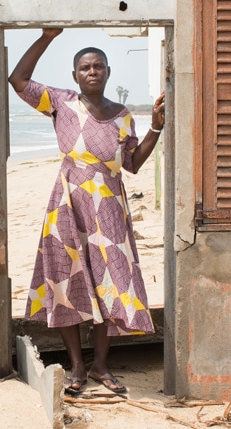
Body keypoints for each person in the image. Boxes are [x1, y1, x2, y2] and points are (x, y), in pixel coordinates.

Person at [9, 28, 165, 395]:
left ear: (108, 72)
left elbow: (132, 164)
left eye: (98, 66)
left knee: (110, 283)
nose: (91, 71)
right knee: (68, 282)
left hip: (109, 208)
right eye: (84, 67)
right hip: (68, 204)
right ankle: (77, 366)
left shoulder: (122, 116)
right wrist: (47, 36)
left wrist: (156, 128)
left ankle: (99, 366)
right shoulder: (61, 103)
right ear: (75, 75)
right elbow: (18, 80)